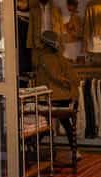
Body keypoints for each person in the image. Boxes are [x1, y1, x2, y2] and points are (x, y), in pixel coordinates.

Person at [34, 30, 81, 166]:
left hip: (51, 95)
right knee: (66, 124)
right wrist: (70, 84)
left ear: (44, 44)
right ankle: (75, 150)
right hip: (69, 96)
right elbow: (73, 76)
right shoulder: (61, 57)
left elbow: (54, 76)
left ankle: (31, 147)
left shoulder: (44, 58)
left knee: (44, 124)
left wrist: (64, 83)